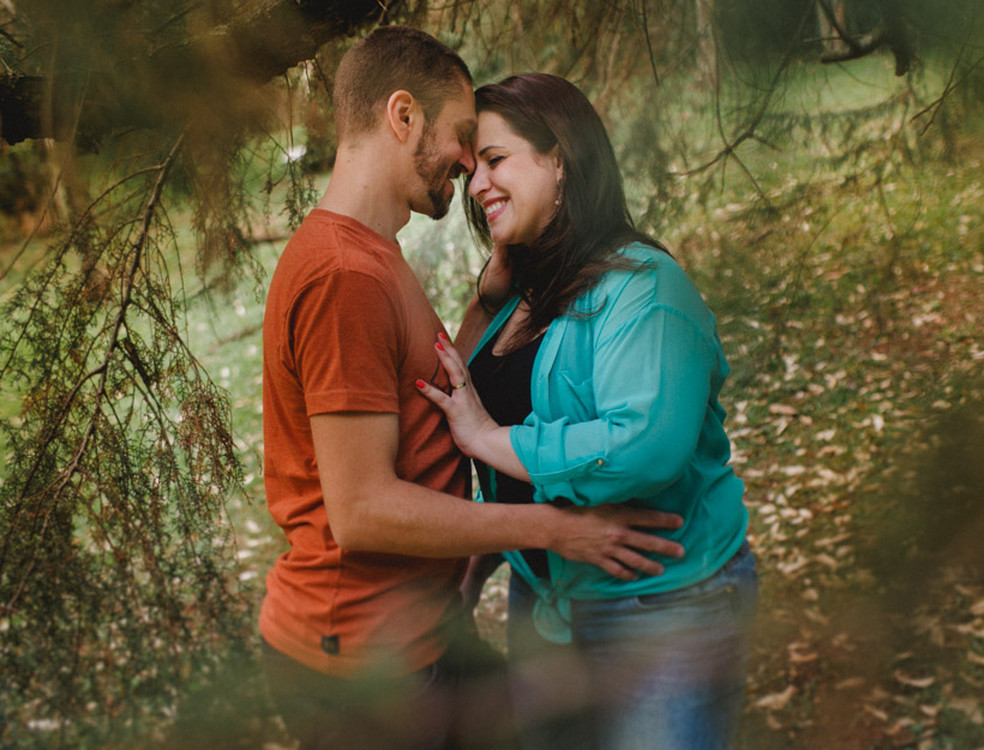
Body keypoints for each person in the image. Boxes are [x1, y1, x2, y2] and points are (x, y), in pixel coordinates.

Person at [258, 29, 685, 750]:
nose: (467, 161)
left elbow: (415, 401)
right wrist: (556, 528)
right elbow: (361, 510)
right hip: (359, 656)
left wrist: (485, 307)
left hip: (417, 626)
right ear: (402, 117)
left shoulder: (368, 253)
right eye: (462, 137)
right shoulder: (344, 276)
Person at [417, 72, 757, 750]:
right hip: (543, 602)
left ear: (561, 159)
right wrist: (481, 556)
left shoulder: (647, 287)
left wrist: (490, 438)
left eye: (494, 161)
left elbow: (642, 447)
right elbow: (472, 397)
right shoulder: (522, 287)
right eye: (469, 172)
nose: (475, 187)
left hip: (661, 609)